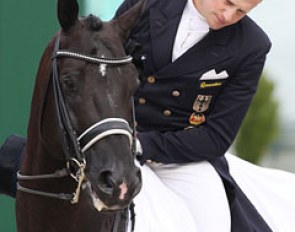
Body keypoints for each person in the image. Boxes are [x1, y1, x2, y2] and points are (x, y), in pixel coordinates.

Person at [1, 0, 295, 231]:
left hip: (181, 156)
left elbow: (217, 136)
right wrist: (117, 141)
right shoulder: (148, 5)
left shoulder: (252, 45)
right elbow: (103, 68)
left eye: (242, 11)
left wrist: (142, 146)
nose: (229, 15)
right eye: (227, 2)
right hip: (111, 138)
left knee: (213, 222)